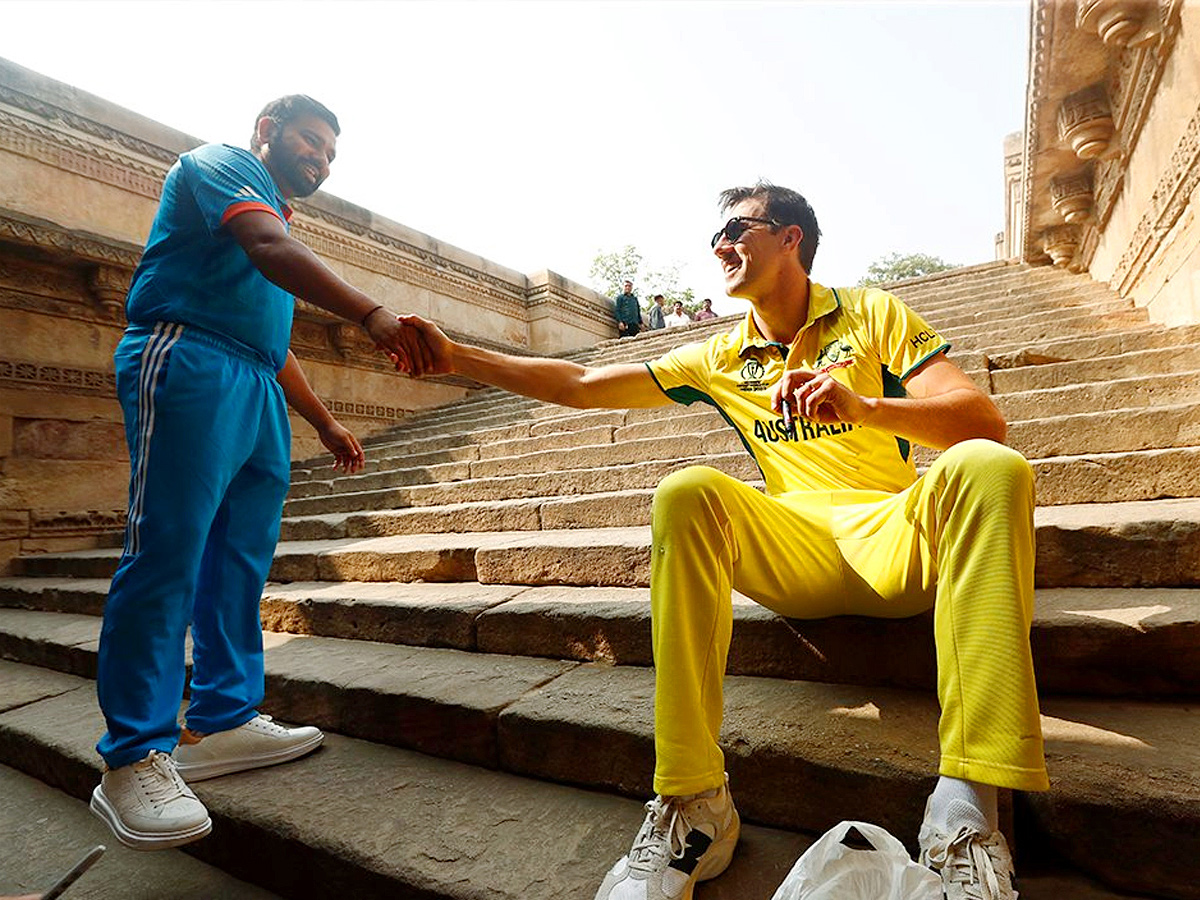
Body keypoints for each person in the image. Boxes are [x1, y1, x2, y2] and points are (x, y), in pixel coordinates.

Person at [398, 180, 1046, 900]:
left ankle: (966, 808)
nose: (721, 246)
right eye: (716, 237)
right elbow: (582, 381)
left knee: (990, 466)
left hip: (893, 537)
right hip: (796, 543)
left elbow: (982, 419)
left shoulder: (873, 314)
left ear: (791, 237)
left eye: (738, 230)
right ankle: (694, 801)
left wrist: (863, 405)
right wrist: (458, 356)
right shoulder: (720, 354)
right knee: (687, 490)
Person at [90, 94, 431, 852]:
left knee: (239, 561)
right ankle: (133, 755)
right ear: (269, 131)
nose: (321, 160)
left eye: (332, 155)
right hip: (186, 355)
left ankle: (223, 716)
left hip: (254, 380)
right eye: (311, 142)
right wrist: (373, 315)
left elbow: (272, 340)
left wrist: (324, 420)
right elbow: (267, 250)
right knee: (169, 550)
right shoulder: (222, 167)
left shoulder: (278, 225)